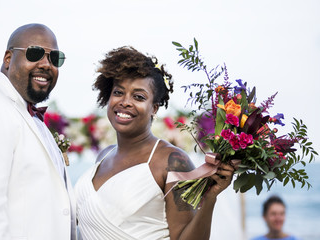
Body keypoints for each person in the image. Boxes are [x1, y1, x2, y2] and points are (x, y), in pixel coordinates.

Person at [74, 46, 235, 240]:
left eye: (139, 97)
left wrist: (210, 199)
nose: (125, 102)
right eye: (118, 92)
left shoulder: (172, 161)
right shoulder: (103, 155)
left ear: (154, 108)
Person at [0, 23, 76, 240]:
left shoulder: (30, 117)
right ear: (8, 59)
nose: (46, 65)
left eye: (54, 58)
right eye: (35, 53)